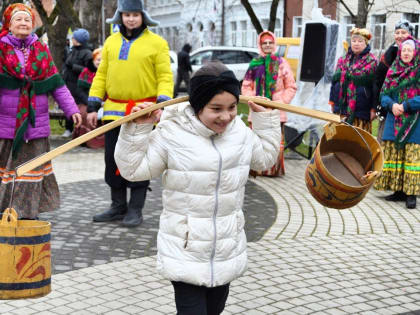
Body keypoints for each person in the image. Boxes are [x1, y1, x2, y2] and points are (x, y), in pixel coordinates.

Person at [114, 61, 281, 315]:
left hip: (226, 248)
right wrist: (138, 128)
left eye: (232, 107)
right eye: (216, 109)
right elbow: (133, 170)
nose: (226, 116)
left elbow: (266, 159)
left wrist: (266, 119)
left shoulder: (239, 133)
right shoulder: (173, 132)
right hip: (186, 250)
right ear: (198, 105)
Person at [87, 0, 173, 227]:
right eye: (127, 14)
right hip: (114, 112)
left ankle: (136, 209)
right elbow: (102, 75)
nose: (131, 19)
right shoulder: (111, 42)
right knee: (112, 159)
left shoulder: (158, 43)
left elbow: (165, 77)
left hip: (143, 113)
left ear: (143, 16)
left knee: (138, 161)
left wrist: (162, 103)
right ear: (120, 16)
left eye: (135, 14)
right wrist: (93, 102)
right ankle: (118, 206)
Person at [0, 3, 81, 219]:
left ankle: (27, 213)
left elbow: (56, 84)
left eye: (28, 19)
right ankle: (4, 211)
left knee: (32, 170)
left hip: (35, 125)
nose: (24, 23)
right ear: (9, 24)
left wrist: (71, 109)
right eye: (19, 19)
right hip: (7, 126)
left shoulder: (41, 50)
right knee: (6, 171)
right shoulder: (1, 50)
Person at [242, 30, 296, 177]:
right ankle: (257, 169)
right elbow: (246, 86)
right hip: (257, 108)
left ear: (274, 44)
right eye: (264, 43)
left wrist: (280, 102)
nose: (267, 45)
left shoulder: (281, 63)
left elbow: (291, 86)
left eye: (270, 42)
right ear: (260, 45)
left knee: (274, 140)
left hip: (276, 109)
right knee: (256, 139)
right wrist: (253, 99)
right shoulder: (254, 64)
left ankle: (273, 170)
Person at [374, 38, 419, 209]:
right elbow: (383, 93)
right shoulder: (393, 70)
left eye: (410, 50)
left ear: (415, 53)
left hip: (414, 119)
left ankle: (411, 194)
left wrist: (406, 105)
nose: (406, 53)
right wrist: (391, 105)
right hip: (394, 117)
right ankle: (398, 190)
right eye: (404, 50)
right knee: (395, 154)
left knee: (411, 156)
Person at [329, 28, 378, 133]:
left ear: (366, 43)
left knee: (358, 143)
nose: (356, 44)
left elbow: (376, 87)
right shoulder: (342, 59)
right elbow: (334, 82)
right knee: (338, 140)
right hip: (340, 109)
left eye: (360, 41)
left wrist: (374, 109)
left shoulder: (372, 61)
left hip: (361, 110)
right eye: (354, 41)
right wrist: (332, 101)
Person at [373, 20, 414, 142]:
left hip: (411, 108)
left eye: (403, 32)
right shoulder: (389, 53)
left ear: (410, 34)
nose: (400, 36)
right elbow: (378, 79)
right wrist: (378, 105)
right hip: (389, 107)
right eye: (397, 32)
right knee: (384, 144)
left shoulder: (416, 52)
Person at [61, 28, 92, 137]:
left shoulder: (87, 53)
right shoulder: (72, 50)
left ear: (78, 40)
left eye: (74, 38)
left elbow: (88, 70)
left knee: (79, 108)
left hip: (79, 86)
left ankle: (79, 130)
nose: (72, 39)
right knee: (68, 106)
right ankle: (68, 129)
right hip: (68, 84)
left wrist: (74, 67)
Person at [73, 48, 104, 148]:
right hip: (86, 101)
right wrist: (90, 102)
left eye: (102, 60)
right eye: (98, 60)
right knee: (84, 113)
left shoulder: (108, 71)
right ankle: (87, 140)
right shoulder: (86, 72)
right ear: (93, 60)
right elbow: (79, 90)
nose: (100, 62)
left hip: (104, 102)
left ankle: (102, 141)